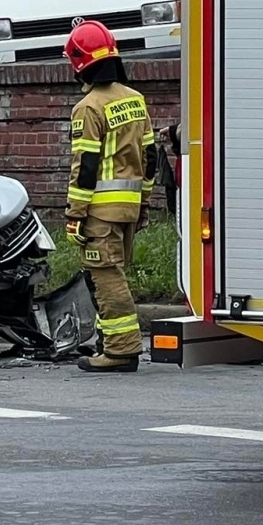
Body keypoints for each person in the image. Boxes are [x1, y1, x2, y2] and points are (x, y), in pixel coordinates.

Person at [63, 20, 156, 374]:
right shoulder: (135, 100)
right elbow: (150, 158)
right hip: (129, 206)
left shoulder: (88, 108)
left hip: (100, 209)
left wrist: (75, 213)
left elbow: (85, 166)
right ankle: (110, 340)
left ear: (78, 63)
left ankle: (121, 349)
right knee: (113, 273)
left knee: (105, 275)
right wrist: (144, 202)